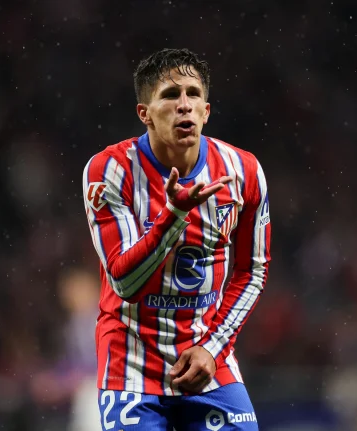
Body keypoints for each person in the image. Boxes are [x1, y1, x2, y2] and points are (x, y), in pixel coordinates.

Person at [82, 48, 271, 430]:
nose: (184, 105)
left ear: (206, 111)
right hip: (132, 360)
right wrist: (174, 214)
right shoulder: (110, 170)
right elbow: (125, 283)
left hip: (206, 355)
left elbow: (252, 270)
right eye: (170, 95)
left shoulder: (244, 171)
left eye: (193, 94)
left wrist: (212, 348)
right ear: (145, 114)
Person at [29, 269, 101, 431]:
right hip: (83, 395)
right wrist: (54, 379)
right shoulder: (73, 324)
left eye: (79, 289)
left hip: (101, 392)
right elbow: (70, 363)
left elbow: (101, 364)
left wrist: (65, 383)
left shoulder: (101, 320)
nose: (72, 296)